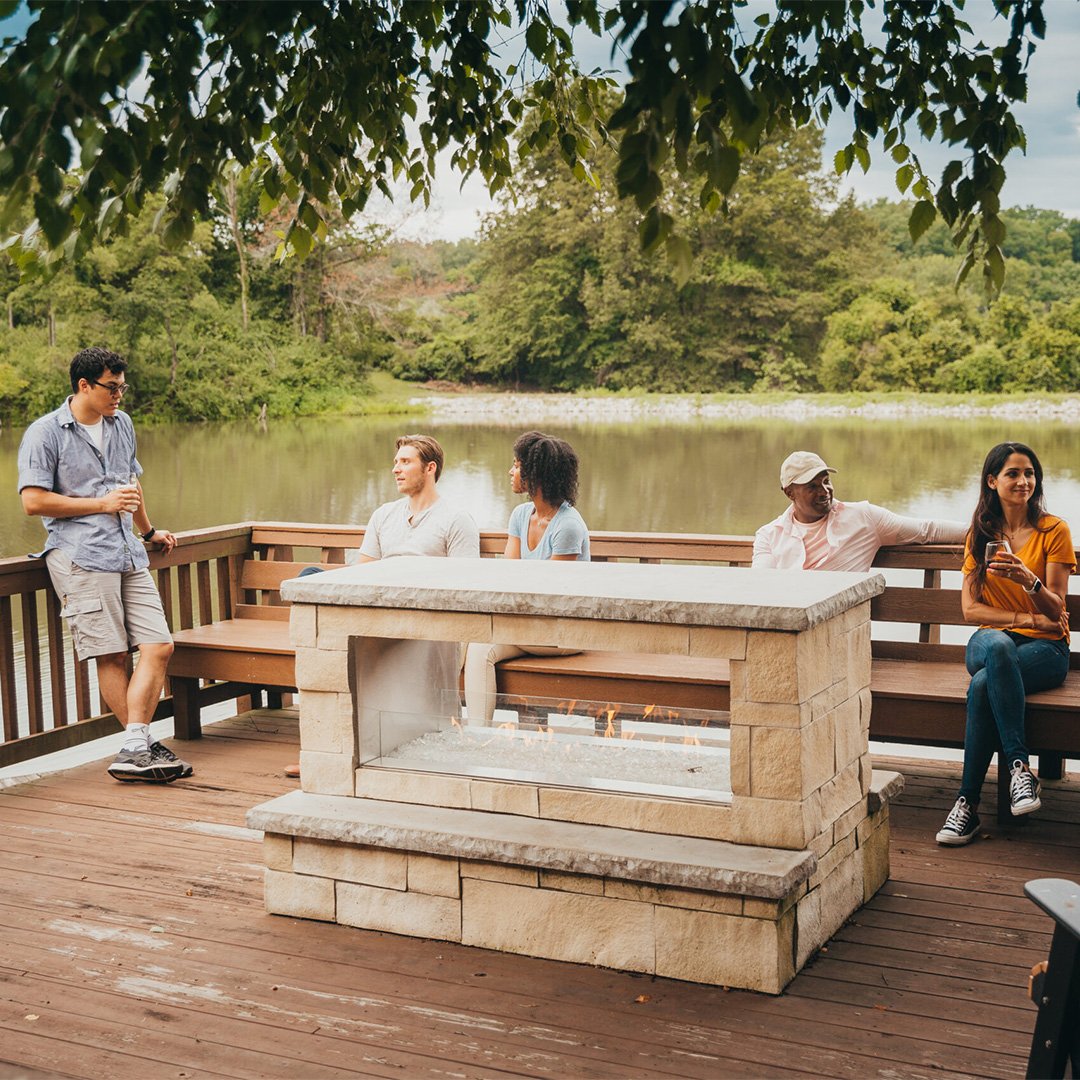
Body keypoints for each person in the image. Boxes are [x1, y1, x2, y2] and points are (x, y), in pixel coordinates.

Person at [17, 347, 190, 783]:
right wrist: (101, 503)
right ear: (83, 385)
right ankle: (140, 748)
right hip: (79, 556)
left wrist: (148, 533)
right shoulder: (45, 433)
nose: (119, 395)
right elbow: (32, 501)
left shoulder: (122, 423)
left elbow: (131, 486)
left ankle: (134, 746)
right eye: (112, 387)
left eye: (122, 386)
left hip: (126, 550)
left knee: (159, 645)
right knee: (111, 655)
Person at [284, 434, 479, 778]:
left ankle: (344, 749)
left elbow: (465, 587)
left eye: (405, 462)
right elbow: (363, 573)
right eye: (396, 462)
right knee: (310, 577)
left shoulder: (455, 519)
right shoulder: (384, 515)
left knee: (342, 649)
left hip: (423, 620)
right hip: (374, 611)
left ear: (430, 468)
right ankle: (326, 750)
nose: (396, 469)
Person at [935, 442, 1073, 846]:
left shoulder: (1054, 530)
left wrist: (1028, 580)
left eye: (1029, 473)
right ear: (992, 481)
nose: (1023, 481)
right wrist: (1022, 618)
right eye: (1013, 473)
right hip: (992, 642)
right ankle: (1019, 768)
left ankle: (966, 805)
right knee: (996, 648)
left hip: (1046, 651)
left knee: (982, 686)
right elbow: (970, 609)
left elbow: (1056, 612)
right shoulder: (981, 535)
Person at [464, 431, 589, 725]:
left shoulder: (568, 525)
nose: (511, 471)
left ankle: (478, 736)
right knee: (458, 639)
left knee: (481, 647)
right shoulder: (521, 515)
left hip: (563, 630)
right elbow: (511, 575)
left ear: (536, 474)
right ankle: (444, 721)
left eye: (517, 465)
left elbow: (552, 595)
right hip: (529, 622)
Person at [752, 450, 968, 571]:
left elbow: (927, 530)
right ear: (789, 493)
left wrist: (991, 532)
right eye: (812, 486)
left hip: (841, 627)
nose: (824, 491)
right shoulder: (769, 535)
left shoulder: (863, 518)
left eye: (826, 481)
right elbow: (762, 587)